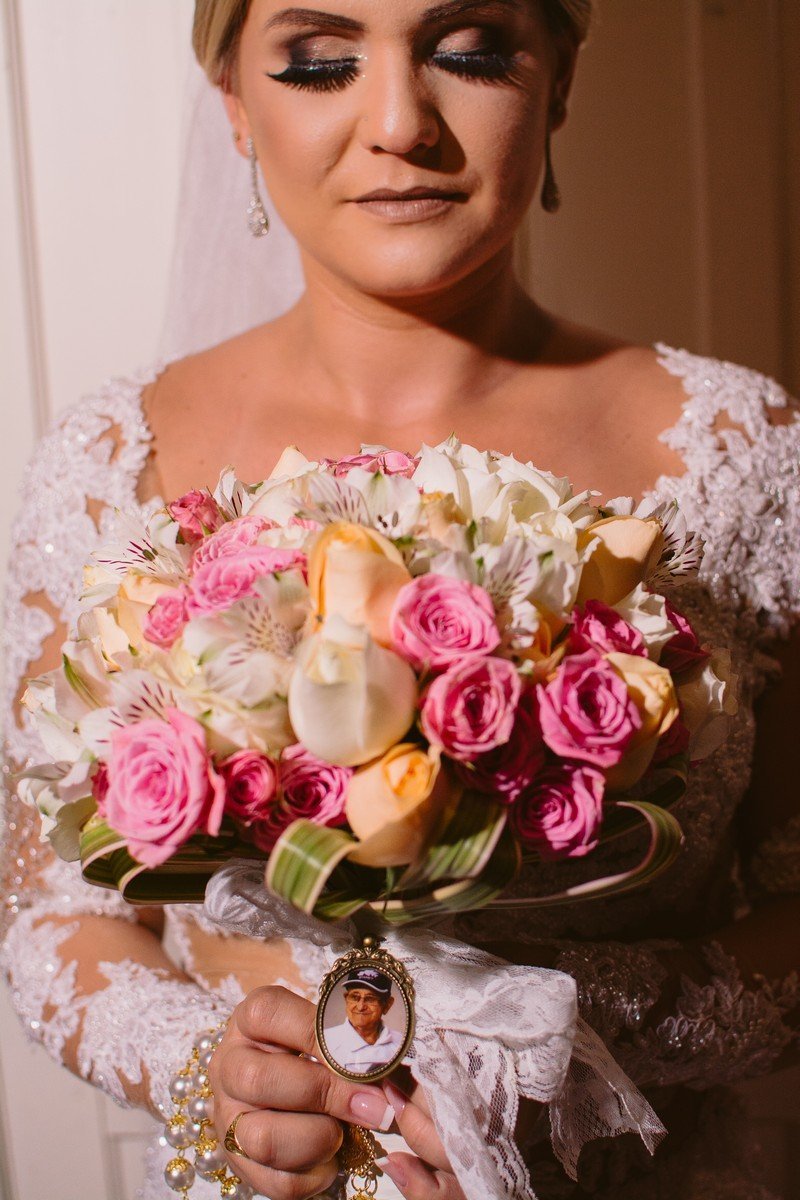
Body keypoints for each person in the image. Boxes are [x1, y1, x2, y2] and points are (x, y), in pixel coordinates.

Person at [1, 0, 798, 1198]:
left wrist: (572, 1048)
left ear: (559, 82)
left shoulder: (739, 450)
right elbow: (53, 915)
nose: (396, 124)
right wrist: (201, 1067)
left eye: (465, 52)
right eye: (320, 63)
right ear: (234, 107)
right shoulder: (114, 462)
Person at [323, 969, 404, 1075]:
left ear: (387, 1005)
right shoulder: (326, 1040)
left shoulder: (402, 1043)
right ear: (346, 999)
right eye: (355, 997)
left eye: (370, 999)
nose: (360, 1007)